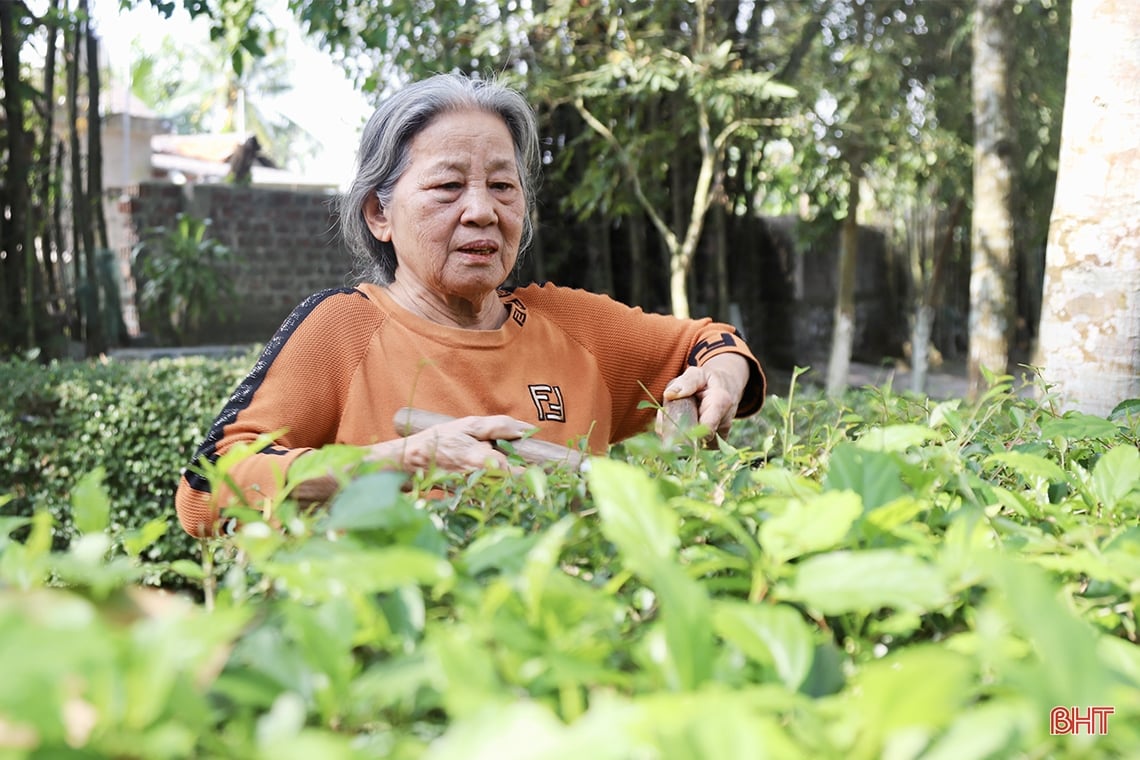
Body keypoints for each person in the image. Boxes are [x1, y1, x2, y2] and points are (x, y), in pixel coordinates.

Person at [174, 73, 766, 537]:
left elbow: (709, 341)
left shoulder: (571, 325)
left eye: (503, 186)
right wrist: (402, 460)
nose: (482, 210)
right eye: (448, 186)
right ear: (379, 214)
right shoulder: (344, 329)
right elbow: (206, 489)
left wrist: (719, 376)